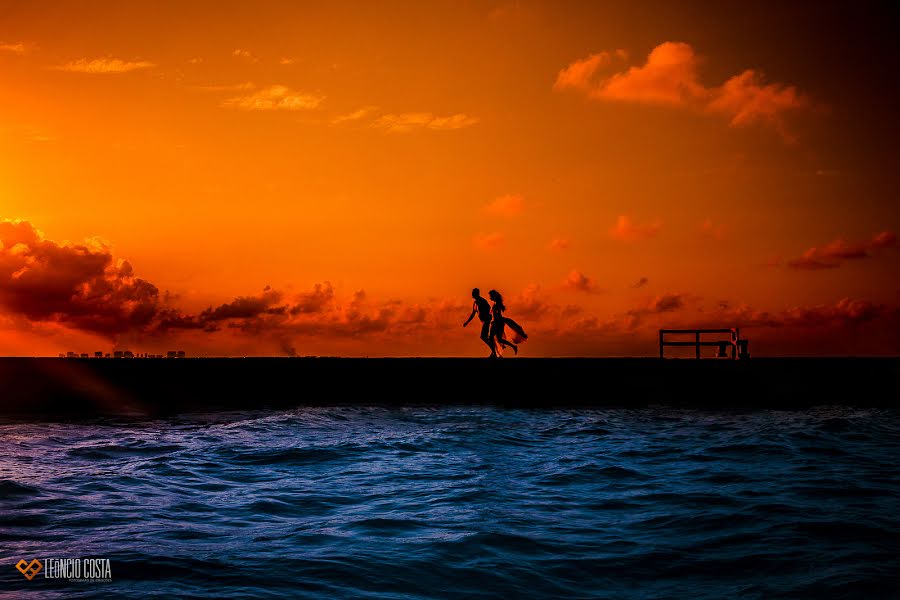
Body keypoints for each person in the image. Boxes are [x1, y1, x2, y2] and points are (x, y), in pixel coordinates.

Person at [487, 289, 524, 357]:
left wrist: (495, 321)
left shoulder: (497, 304)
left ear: (493, 296)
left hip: (497, 323)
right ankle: (513, 346)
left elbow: (498, 314)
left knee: (491, 338)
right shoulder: (496, 303)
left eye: (490, 296)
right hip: (498, 323)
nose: (490, 297)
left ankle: (494, 353)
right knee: (499, 339)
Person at [463, 288, 496, 357]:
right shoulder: (475, 303)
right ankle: (494, 350)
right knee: (484, 337)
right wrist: (467, 322)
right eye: (472, 293)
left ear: (477, 294)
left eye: (474, 293)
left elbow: (489, 309)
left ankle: (494, 351)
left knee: (483, 336)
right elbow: (473, 314)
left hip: (487, 320)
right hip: (483, 321)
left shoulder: (483, 301)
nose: (472, 294)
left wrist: (489, 318)